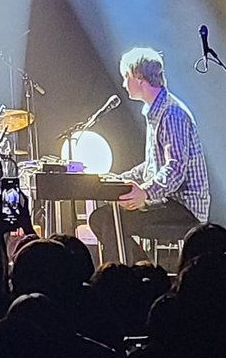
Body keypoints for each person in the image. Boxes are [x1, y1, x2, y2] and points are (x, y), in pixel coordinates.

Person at [89, 47, 209, 263]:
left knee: (108, 219)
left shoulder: (172, 114)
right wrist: (119, 180)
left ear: (139, 77)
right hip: (167, 199)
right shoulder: (156, 112)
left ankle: (131, 277)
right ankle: (142, 271)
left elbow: (175, 169)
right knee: (103, 218)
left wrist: (144, 192)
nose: (124, 83)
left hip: (183, 205)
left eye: (126, 77)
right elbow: (152, 165)